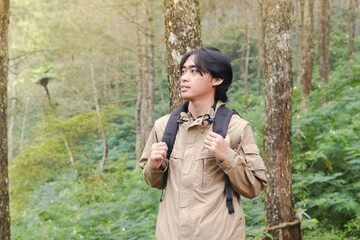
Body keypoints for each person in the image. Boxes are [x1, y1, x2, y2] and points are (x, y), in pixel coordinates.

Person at [138, 47, 267, 240]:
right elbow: (153, 182)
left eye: (194, 71)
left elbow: (255, 187)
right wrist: (154, 166)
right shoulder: (164, 126)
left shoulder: (236, 128)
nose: (184, 78)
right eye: (183, 71)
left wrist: (228, 157)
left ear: (217, 79)